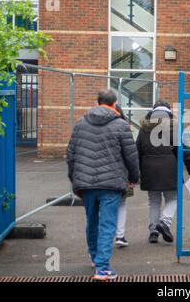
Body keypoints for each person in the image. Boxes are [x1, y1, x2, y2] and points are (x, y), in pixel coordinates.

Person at [67, 90, 139, 281]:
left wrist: (74, 179)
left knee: (92, 222)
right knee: (108, 225)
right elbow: (131, 157)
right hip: (112, 184)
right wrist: (134, 178)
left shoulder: (80, 124)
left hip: (86, 184)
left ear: (97, 102)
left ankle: (94, 258)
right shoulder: (122, 125)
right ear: (115, 104)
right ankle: (103, 269)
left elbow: (71, 155)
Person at [136, 100, 190, 244]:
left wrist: (137, 171)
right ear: (169, 112)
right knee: (173, 199)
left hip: (149, 169)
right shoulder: (174, 127)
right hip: (170, 169)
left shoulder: (144, 128)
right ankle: (164, 222)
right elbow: (183, 151)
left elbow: (137, 150)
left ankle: (153, 232)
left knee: (154, 201)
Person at [114, 104, 132, 248]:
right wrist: (133, 177)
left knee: (102, 206)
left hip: (97, 176)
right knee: (121, 204)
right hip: (121, 173)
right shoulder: (125, 127)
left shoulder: (91, 125)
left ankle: (103, 237)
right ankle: (120, 235)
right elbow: (130, 155)